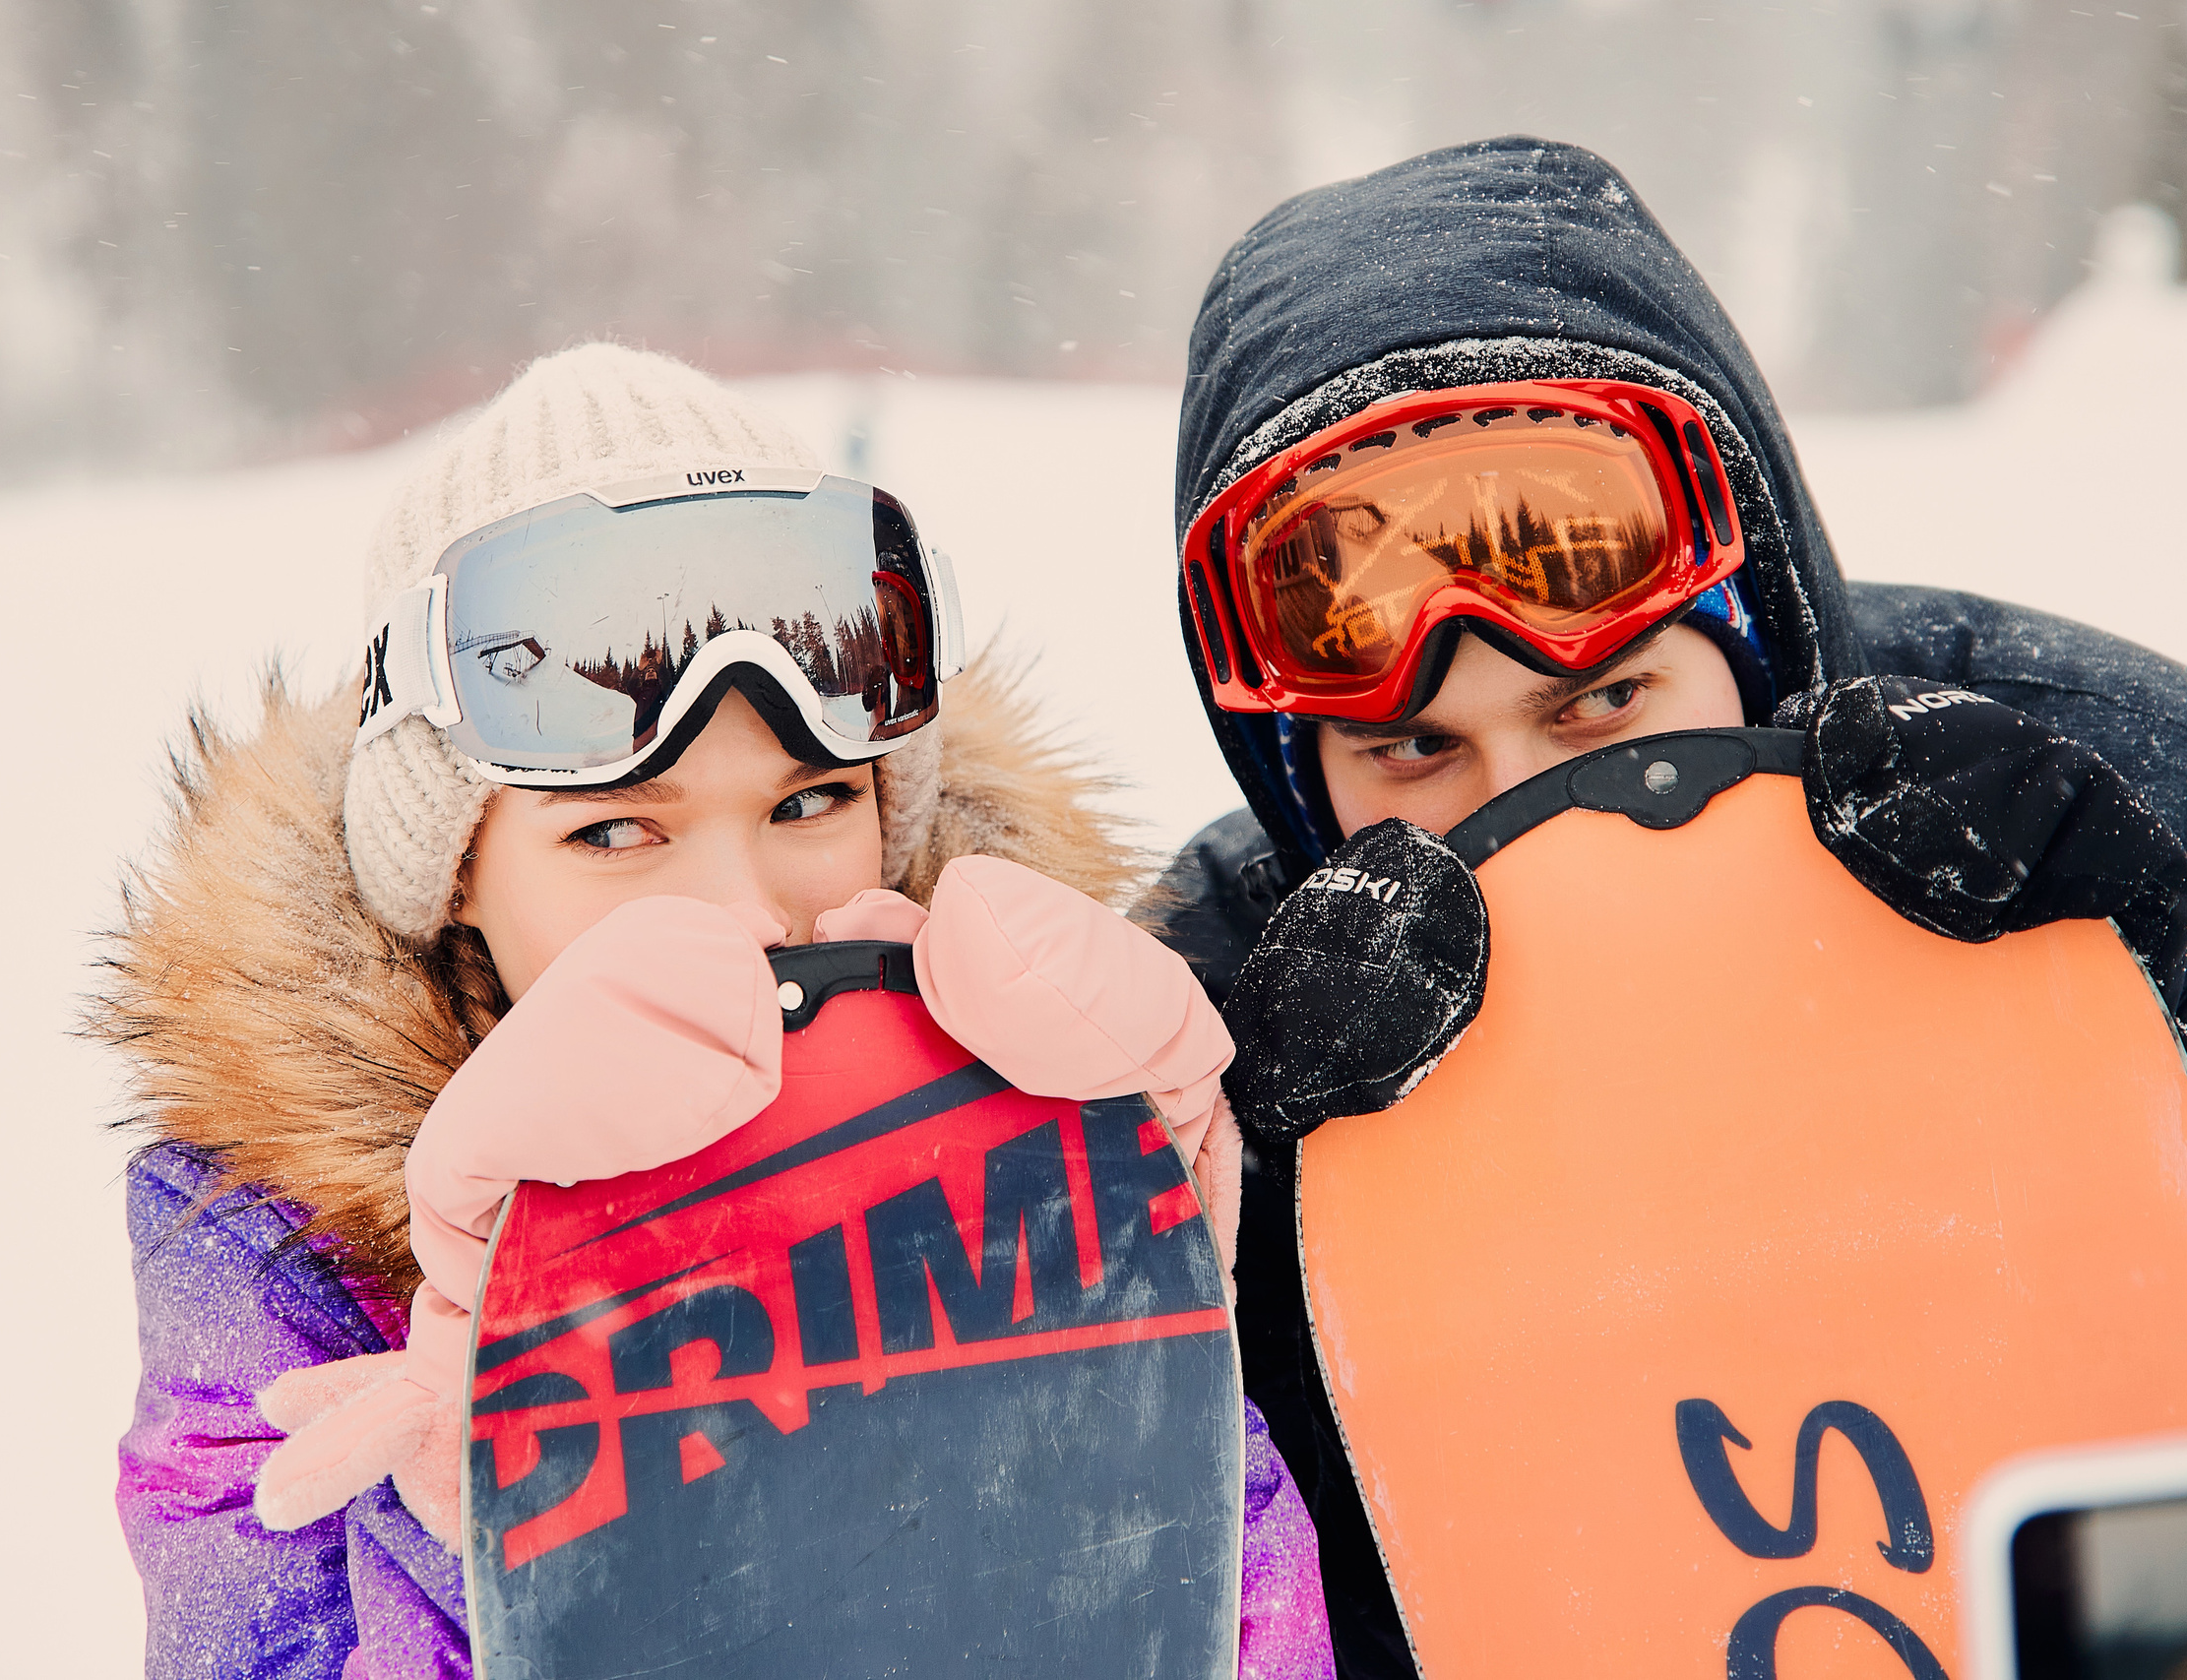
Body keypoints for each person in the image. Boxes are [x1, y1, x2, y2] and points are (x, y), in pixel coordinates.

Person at [1148, 136, 2187, 1678]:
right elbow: (1189, 1595)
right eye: (1415, 752)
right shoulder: (1216, 1000)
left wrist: (2136, 1089)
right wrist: (1281, 1231)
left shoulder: (2097, 781)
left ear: (1757, 623)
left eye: (1603, 705)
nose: (1522, 805)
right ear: (1297, 778)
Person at [94, 343, 1333, 1679]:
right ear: (454, 878)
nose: (747, 910)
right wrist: (488, 1534)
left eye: (809, 803)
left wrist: (1143, 1370)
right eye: (618, 831)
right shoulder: (277, 1250)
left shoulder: (1027, 1099)